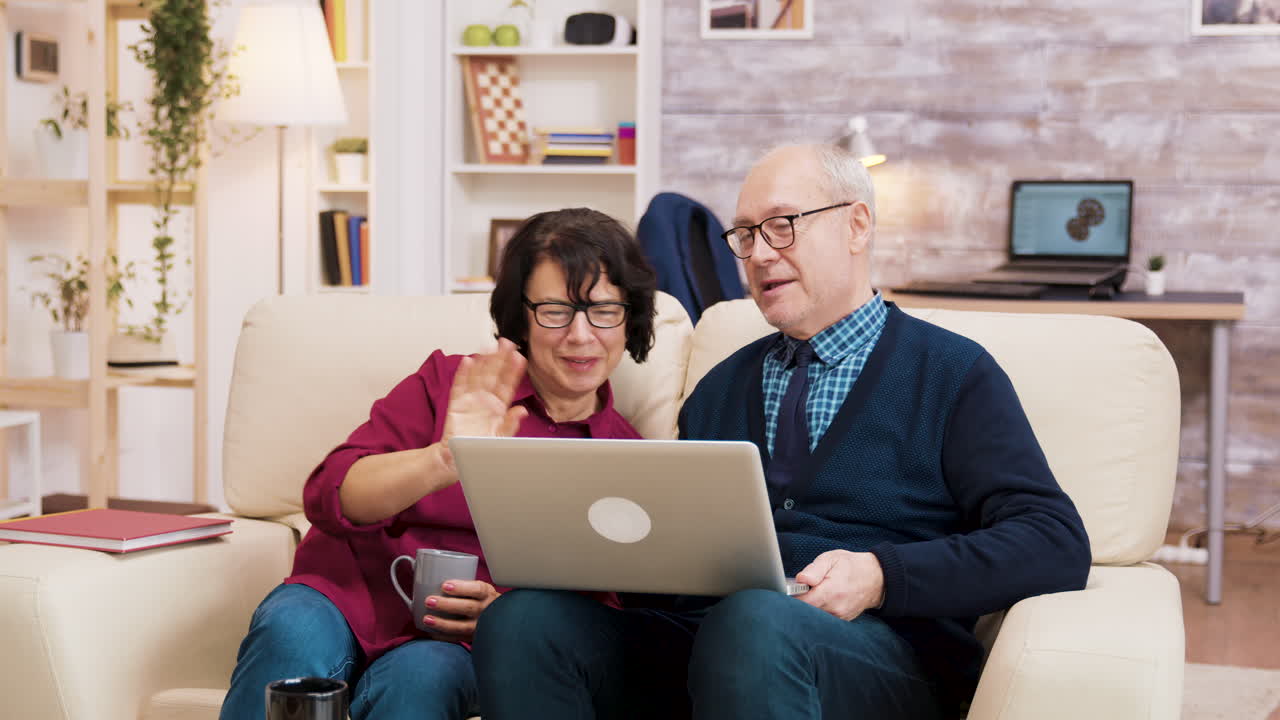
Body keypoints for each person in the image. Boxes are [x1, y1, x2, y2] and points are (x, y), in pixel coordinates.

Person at [471, 144, 1092, 719]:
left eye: (782, 225)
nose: (760, 253)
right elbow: (676, 569)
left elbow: (1053, 540)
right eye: (745, 235)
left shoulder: (952, 374)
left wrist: (880, 575)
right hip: (715, 638)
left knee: (755, 623)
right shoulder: (718, 389)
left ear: (857, 225)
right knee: (523, 621)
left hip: (884, 656)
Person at [219, 207, 658, 720]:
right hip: (345, 597)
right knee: (288, 631)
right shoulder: (448, 384)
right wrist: (442, 459)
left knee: (418, 681)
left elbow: (604, 619)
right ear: (521, 316)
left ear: (630, 317)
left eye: (603, 310)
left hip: (458, 645)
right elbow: (331, 495)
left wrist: (507, 619)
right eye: (555, 310)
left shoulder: (625, 454)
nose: (581, 335)